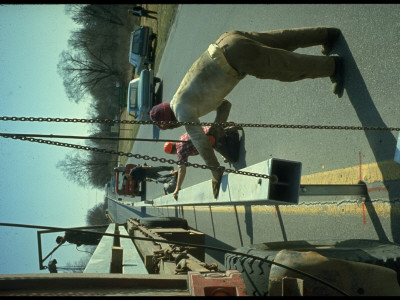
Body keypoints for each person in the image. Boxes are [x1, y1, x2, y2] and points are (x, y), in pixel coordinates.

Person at [149, 27, 343, 199]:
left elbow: (201, 144)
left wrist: (216, 172)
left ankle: (333, 67)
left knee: (287, 66)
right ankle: (327, 35)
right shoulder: (183, 98)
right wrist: (217, 129)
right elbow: (225, 106)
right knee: (283, 40)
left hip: (236, 57)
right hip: (226, 41)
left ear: (169, 122)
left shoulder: (182, 112)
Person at [163, 125, 241, 199]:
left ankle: (231, 132)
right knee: (212, 147)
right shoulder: (181, 138)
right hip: (211, 130)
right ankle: (223, 129)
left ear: (173, 153)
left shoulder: (180, 151)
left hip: (213, 139)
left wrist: (177, 189)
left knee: (233, 158)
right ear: (172, 142)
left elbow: (182, 171)